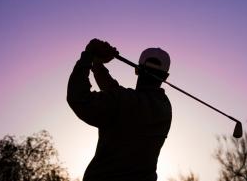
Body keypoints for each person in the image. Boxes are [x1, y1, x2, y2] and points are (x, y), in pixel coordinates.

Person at [67, 39, 172, 181]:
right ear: (165, 77)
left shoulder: (122, 100)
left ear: (136, 69)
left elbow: (78, 98)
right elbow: (116, 94)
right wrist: (97, 64)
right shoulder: (165, 108)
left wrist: (89, 54)